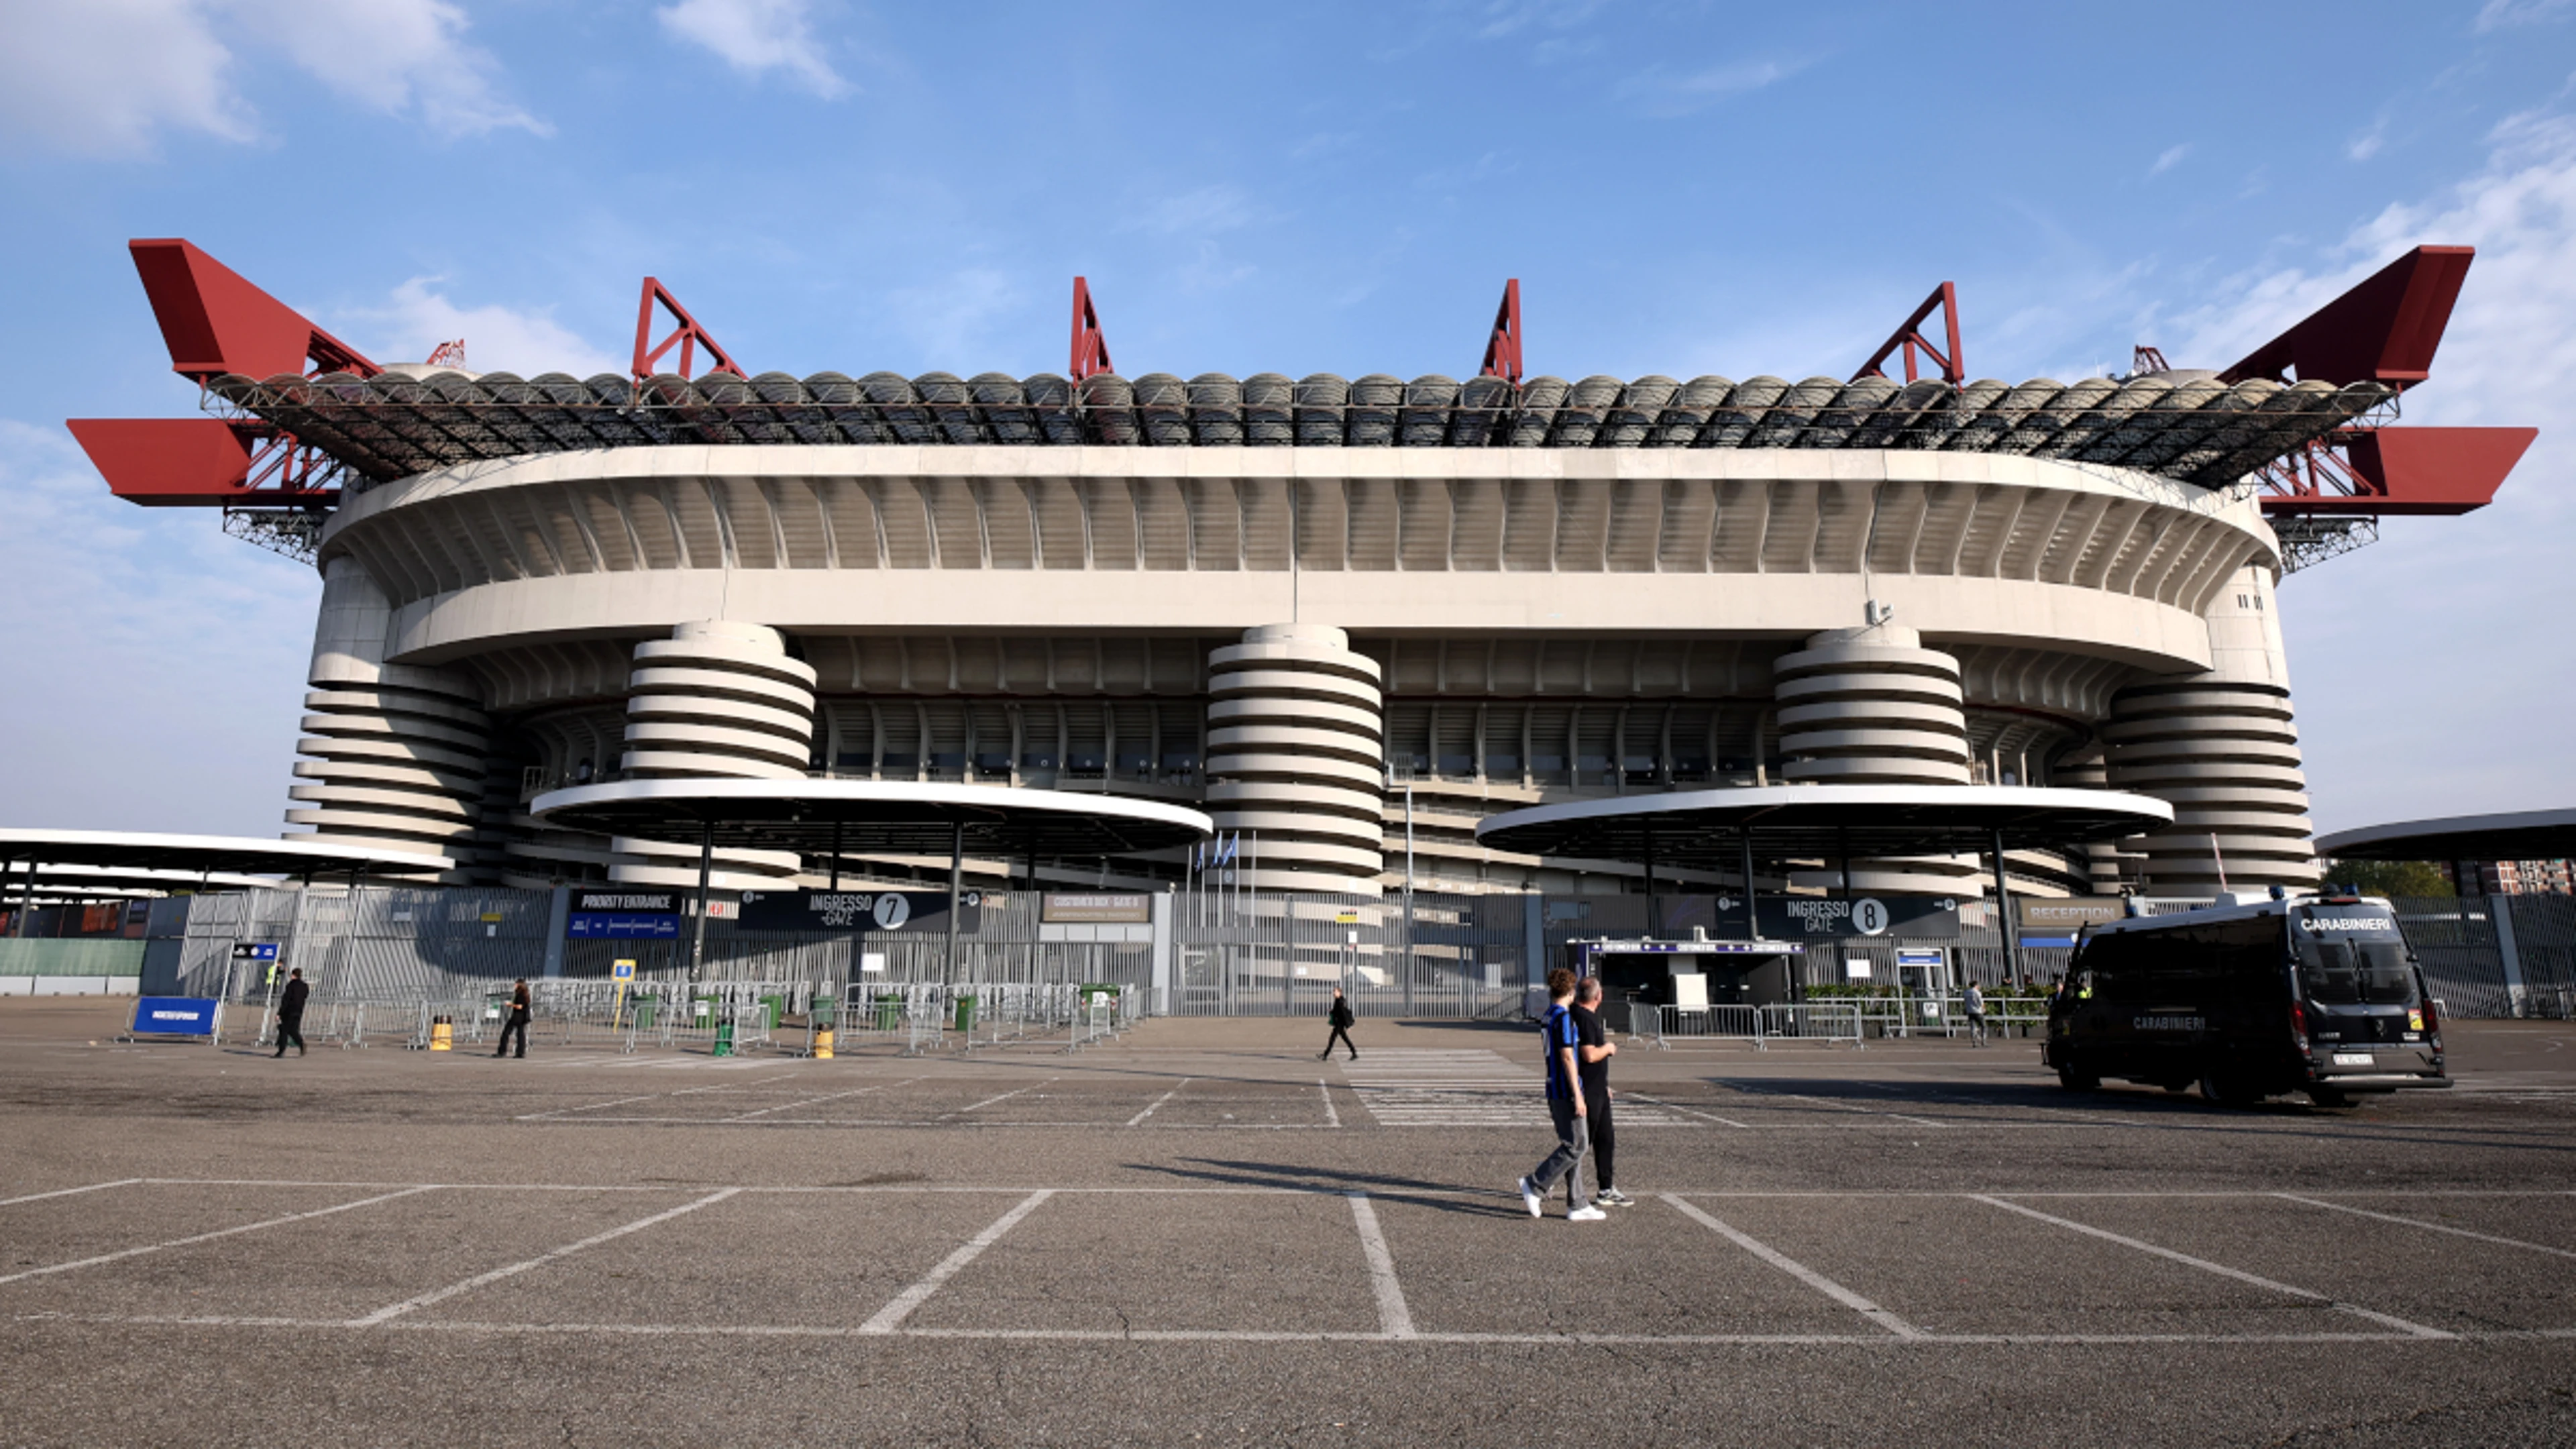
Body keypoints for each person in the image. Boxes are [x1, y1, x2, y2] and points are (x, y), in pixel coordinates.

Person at [1517, 967, 1604, 1222]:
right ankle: (1535, 1184)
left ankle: (1577, 1202)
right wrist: (1578, 1094)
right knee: (1577, 1144)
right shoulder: (1563, 1017)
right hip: (1565, 1089)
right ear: (1570, 991)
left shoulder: (1548, 1015)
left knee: (1574, 1144)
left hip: (1554, 1086)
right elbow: (1567, 1056)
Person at [1571, 978, 1631, 1207]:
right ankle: (1544, 1182)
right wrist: (1608, 1049)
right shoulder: (1585, 1019)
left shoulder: (1579, 1014)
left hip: (1598, 1088)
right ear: (1599, 996)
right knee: (1580, 1143)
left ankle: (1606, 1188)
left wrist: (1604, 1085)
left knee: (1606, 1139)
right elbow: (1589, 1055)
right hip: (1588, 1091)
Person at [272, 968, 308, 1058]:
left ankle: (281, 1051)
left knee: (284, 1030)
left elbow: (286, 1000)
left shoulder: (291, 986)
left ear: (293, 975)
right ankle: (301, 1043)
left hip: (289, 1011)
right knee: (293, 1030)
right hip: (299, 1010)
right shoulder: (305, 986)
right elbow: (305, 996)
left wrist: (279, 1013)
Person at [495, 978, 531, 1059]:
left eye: (516, 984)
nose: (515, 986)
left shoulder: (521, 994)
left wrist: (511, 1005)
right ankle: (520, 1052)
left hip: (518, 1016)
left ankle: (502, 1051)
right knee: (520, 1034)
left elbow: (520, 1006)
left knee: (506, 1033)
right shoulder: (525, 994)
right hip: (523, 1017)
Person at [1320, 986, 1358, 1061]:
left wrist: (1348, 1026)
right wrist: (1332, 1011)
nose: (1334, 993)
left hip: (1339, 1023)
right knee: (1345, 1038)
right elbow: (1337, 1011)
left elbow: (1343, 1013)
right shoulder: (1338, 1000)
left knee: (1332, 1039)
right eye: (1334, 991)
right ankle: (1354, 1053)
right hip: (1339, 1023)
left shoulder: (1340, 1001)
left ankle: (1325, 1055)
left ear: (1339, 993)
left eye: (1335, 991)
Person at [1963, 979, 1988, 1046]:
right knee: (1983, 1026)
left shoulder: (1966, 992)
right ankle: (1983, 1041)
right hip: (1978, 1011)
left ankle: (1974, 1042)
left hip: (1970, 1011)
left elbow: (1965, 1001)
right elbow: (1981, 1002)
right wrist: (1984, 1008)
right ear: (1976, 985)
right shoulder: (1977, 993)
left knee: (1973, 1027)